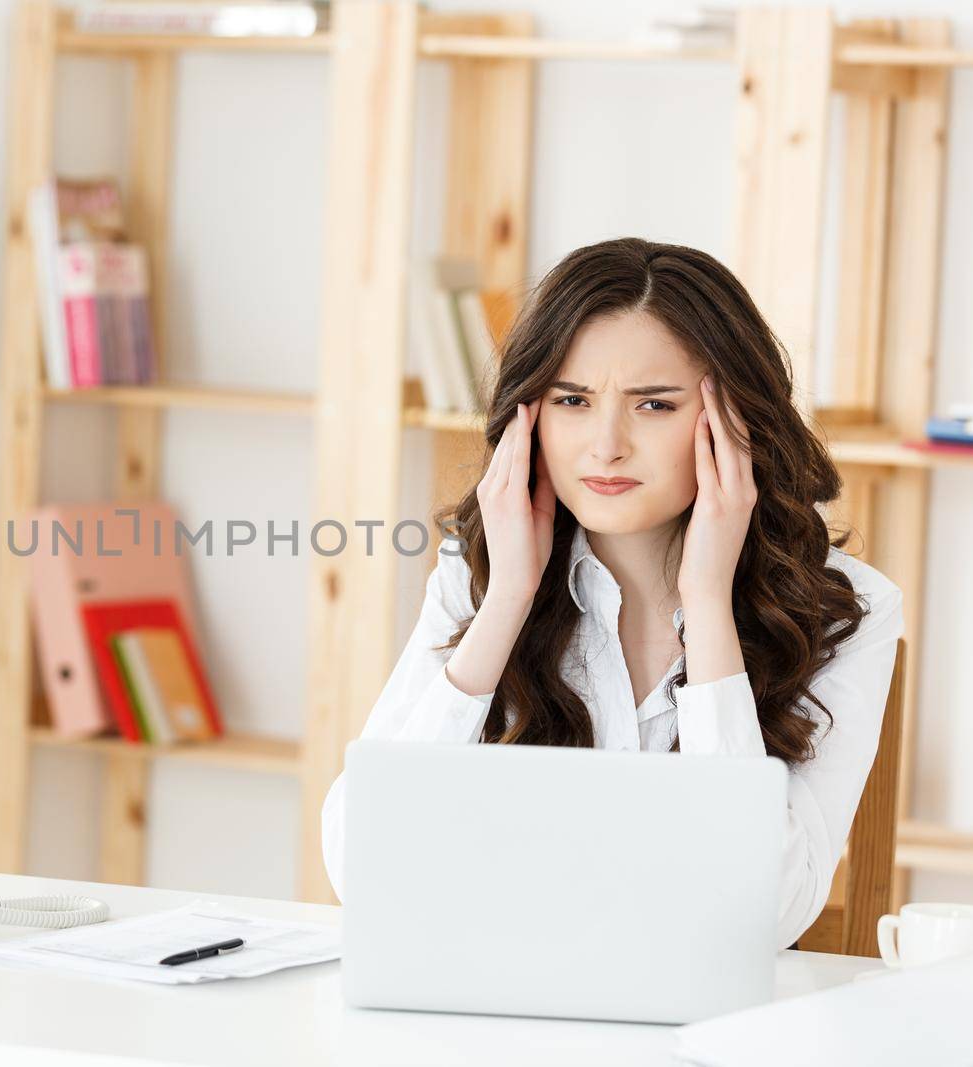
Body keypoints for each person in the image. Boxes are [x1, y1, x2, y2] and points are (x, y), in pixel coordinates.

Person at [319, 237, 904, 951]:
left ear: (736, 421)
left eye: (653, 405)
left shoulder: (849, 610)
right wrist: (506, 601)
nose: (605, 445)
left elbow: (765, 916)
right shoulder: (477, 576)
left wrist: (709, 606)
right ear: (528, 415)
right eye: (572, 400)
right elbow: (362, 865)